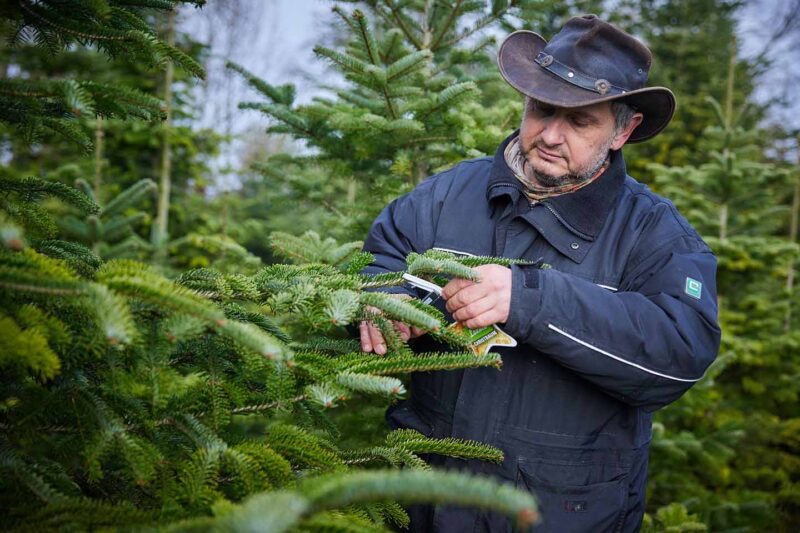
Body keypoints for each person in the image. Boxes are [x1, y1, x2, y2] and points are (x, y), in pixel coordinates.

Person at [358, 14, 720, 533]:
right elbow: (378, 263)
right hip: (420, 504)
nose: (551, 134)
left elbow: (679, 354)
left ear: (624, 129)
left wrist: (530, 299)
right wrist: (382, 303)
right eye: (542, 110)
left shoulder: (656, 233)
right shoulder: (445, 194)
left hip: (561, 514)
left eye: (580, 121)